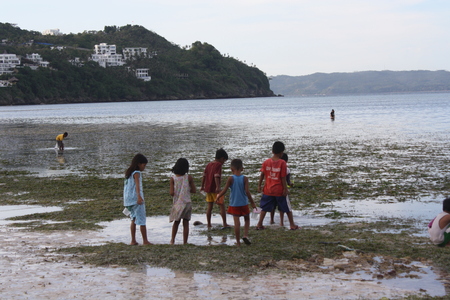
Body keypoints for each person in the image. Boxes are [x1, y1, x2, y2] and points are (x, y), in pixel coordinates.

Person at [256, 141, 299, 230]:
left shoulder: (266, 162)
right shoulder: (282, 163)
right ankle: (292, 225)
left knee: (264, 208)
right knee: (287, 208)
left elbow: (262, 174)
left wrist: (259, 185)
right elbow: (283, 177)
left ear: (272, 151)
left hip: (268, 189)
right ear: (281, 152)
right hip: (279, 190)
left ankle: (259, 224)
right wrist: (285, 189)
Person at [216, 159, 257, 246]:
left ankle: (238, 242)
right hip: (244, 203)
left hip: (234, 204)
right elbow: (247, 192)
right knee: (247, 219)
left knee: (237, 223)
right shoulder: (245, 178)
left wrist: (218, 196)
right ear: (242, 168)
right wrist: (253, 203)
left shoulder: (231, 178)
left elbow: (224, 190)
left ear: (231, 169)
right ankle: (245, 235)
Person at [123, 153, 152, 245]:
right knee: (142, 219)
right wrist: (139, 196)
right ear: (139, 164)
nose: (144, 167)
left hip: (128, 200)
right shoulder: (137, 173)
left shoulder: (129, 173)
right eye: (144, 165)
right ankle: (145, 240)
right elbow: (137, 186)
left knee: (133, 219)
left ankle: (133, 240)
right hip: (136, 199)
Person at [201, 148, 231, 229]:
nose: (223, 163)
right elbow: (216, 176)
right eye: (224, 161)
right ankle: (225, 223)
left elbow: (204, 175)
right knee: (222, 205)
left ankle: (209, 224)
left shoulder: (209, 164)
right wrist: (218, 187)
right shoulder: (218, 165)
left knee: (209, 207)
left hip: (208, 189)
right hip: (215, 189)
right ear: (222, 158)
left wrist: (202, 186)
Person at [169, 158, 197, 245]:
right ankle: (185, 242)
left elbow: (171, 193)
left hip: (177, 204)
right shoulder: (188, 177)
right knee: (186, 223)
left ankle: (172, 240)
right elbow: (194, 190)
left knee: (176, 223)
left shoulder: (173, 179)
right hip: (187, 203)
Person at [270, 153, 292, 226]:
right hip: (281, 190)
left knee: (272, 206)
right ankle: (281, 222)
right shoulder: (287, 169)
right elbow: (288, 181)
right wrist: (289, 185)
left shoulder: (274, 168)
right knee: (281, 207)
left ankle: (271, 220)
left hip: (272, 189)